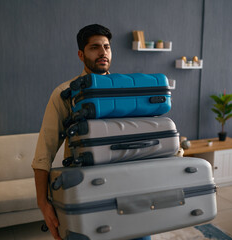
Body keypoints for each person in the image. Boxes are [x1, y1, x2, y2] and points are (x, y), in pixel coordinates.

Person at [32, 24, 151, 240]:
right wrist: (43, 203)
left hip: (128, 187)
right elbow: (43, 153)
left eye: (106, 47)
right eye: (94, 47)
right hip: (86, 191)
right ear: (81, 54)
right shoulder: (65, 94)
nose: (103, 52)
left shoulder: (127, 90)